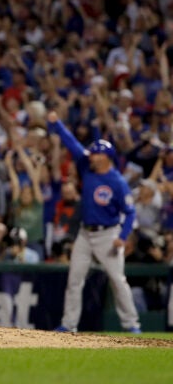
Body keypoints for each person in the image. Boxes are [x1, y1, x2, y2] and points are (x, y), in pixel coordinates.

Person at [46, 112, 141, 334]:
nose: (91, 157)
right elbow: (72, 143)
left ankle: (131, 324)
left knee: (118, 281)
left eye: (96, 154)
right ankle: (69, 325)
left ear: (106, 157)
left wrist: (123, 237)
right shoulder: (86, 168)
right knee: (74, 280)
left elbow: (130, 211)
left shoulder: (117, 182)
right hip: (85, 234)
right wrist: (57, 124)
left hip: (108, 235)